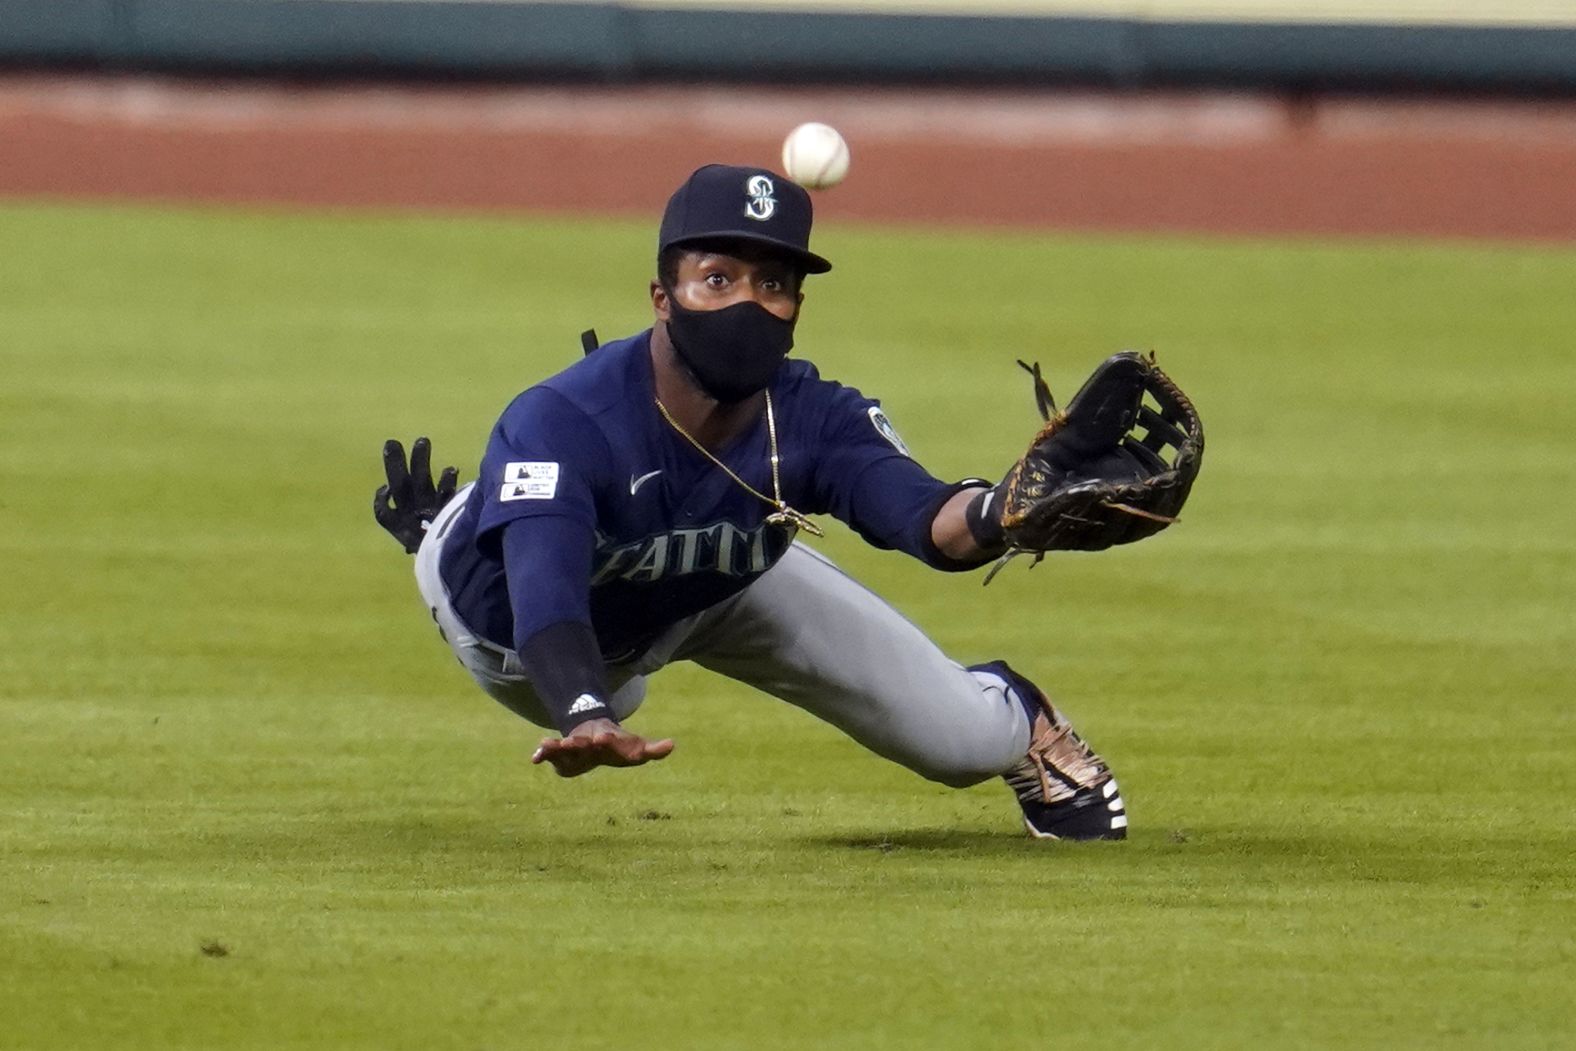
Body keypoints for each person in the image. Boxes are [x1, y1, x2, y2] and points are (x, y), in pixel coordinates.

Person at [375, 164, 1126, 840]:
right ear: (662, 297)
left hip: (719, 584)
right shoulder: (561, 421)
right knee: (614, 690)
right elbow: (546, 601)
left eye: (771, 284)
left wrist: (1000, 512)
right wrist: (585, 713)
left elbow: (925, 518)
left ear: (797, 305)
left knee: (960, 741)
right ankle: (453, 522)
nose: (746, 302)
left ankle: (1026, 723)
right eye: (718, 278)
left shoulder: (812, 414)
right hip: (529, 630)